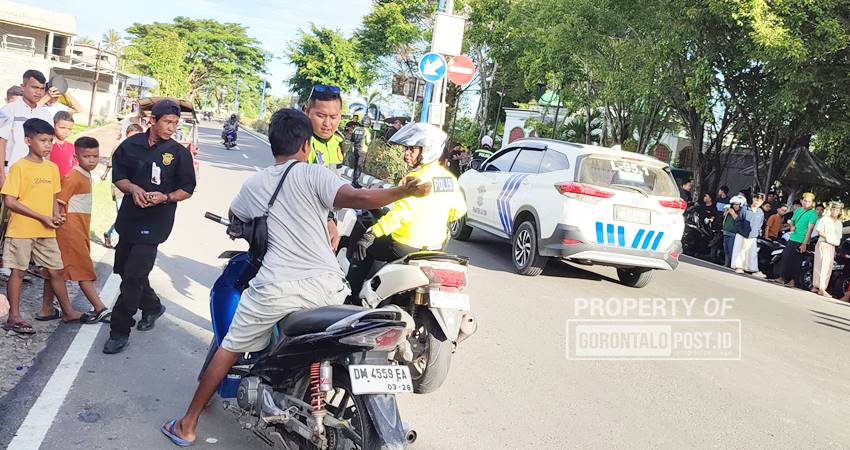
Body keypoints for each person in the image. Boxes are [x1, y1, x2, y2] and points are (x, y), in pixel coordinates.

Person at [159, 108, 431, 446]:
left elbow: (236, 215)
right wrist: (402, 192)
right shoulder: (315, 175)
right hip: (328, 287)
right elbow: (357, 198)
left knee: (228, 348)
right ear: (306, 144)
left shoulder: (255, 184)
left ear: (275, 144)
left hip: (276, 287)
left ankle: (187, 424)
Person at [103, 99, 197, 354]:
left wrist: (165, 197)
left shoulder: (179, 153)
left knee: (133, 275)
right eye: (167, 122)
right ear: (152, 121)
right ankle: (153, 306)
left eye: (176, 123)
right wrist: (133, 189)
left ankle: (119, 329)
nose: (171, 128)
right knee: (124, 269)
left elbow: (187, 189)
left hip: (157, 222)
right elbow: (119, 177)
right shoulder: (130, 146)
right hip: (130, 217)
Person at [346, 122, 468, 302]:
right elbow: (458, 211)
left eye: (412, 149)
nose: (406, 153)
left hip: (404, 245)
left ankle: (351, 298)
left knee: (362, 244)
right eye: (406, 149)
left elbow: (401, 215)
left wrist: (372, 234)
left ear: (427, 150)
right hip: (435, 247)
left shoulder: (416, 179)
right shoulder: (449, 179)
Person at [1, 118, 82, 334]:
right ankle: (14, 317)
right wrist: (40, 217)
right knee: (18, 272)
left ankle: (68, 311)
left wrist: (55, 216)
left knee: (56, 270)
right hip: (21, 230)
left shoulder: (52, 168)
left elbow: (54, 197)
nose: (47, 145)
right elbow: (9, 201)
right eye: (43, 140)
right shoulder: (20, 168)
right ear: (28, 140)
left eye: (50, 141)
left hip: (46, 230)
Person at [41, 137, 110, 323]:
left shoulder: (85, 175)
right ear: (76, 156)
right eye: (87, 156)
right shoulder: (74, 176)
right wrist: (59, 219)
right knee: (84, 268)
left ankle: (46, 309)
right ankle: (99, 307)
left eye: (95, 156)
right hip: (70, 230)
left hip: (78, 228)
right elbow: (59, 201)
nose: (92, 160)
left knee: (55, 269)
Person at [0, 70, 54, 187]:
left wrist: (46, 176)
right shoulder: (7, 111)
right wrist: (2, 178)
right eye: (34, 87)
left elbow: (48, 148)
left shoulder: (46, 115)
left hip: (38, 177)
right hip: (11, 173)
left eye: (41, 88)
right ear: (23, 87)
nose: (38, 92)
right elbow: (1, 144)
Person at [102, 124, 144, 249]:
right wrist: (104, 175)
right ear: (126, 135)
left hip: (135, 188)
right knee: (123, 214)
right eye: (131, 137)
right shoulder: (119, 148)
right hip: (120, 187)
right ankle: (114, 237)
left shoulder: (143, 150)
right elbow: (110, 165)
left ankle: (111, 234)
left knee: (129, 215)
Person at [774, 193, 818, 288]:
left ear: (812, 203)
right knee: (786, 257)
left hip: (801, 239)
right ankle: (782, 277)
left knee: (796, 261)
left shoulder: (812, 214)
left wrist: (804, 243)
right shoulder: (798, 210)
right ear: (802, 201)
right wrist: (792, 226)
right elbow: (792, 220)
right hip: (793, 237)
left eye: (809, 201)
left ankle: (793, 281)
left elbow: (810, 230)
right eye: (805, 201)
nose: (807, 203)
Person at [305, 85, 344, 167]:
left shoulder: (339, 141)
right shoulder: (300, 144)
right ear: (307, 111)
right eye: (321, 116)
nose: (327, 123)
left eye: (333, 117)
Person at [812, 201, 844, 297]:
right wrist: (829, 238)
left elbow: (839, 236)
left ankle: (822, 287)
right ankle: (818, 286)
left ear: (839, 212)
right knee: (820, 263)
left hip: (832, 246)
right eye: (833, 209)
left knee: (828, 266)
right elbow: (819, 231)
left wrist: (833, 241)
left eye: (837, 210)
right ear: (831, 210)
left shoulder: (839, 223)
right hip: (823, 243)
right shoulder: (825, 219)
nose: (835, 212)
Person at [731, 193, 766, 276]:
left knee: (752, 253)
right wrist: (741, 231)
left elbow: (760, 224)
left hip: (753, 236)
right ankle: (739, 267)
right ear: (753, 199)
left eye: (760, 200)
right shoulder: (744, 209)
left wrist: (756, 232)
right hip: (742, 234)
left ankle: (752, 269)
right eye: (756, 199)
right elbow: (738, 221)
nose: (758, 202)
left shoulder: (760, 212)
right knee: (740, 251)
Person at [50, 111, 77, 177]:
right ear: (53, 125)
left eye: (69, 129)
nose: (66, 132)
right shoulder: (47, 146)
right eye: (62, 128)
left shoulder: (72, 147)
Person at [722, 196, 745, 268]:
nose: (735, 206)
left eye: (737, 204)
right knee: (726, 249)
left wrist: (733, 213)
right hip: (726, 232)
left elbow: (738, 220)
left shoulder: (741, 212)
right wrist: (726, 211)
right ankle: (727, 263)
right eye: (733, 204)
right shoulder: (730, 209)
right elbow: (724, 217)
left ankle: (733, 264)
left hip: (733, 233)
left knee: (731, 249)